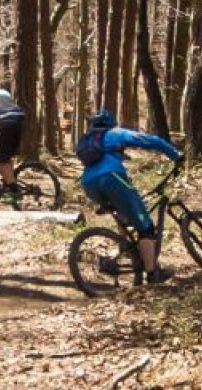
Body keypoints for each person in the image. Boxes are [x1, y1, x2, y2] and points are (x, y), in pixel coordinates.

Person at [75, 109, 183, 284]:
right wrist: (174, 154)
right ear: (110, 123)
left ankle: (132, 258)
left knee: (124, 219)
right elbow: (150, 140)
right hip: (111, 178)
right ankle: (153, 273)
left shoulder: (89, 140)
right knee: (145, 228)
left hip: (89, 184)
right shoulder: (114, 134)